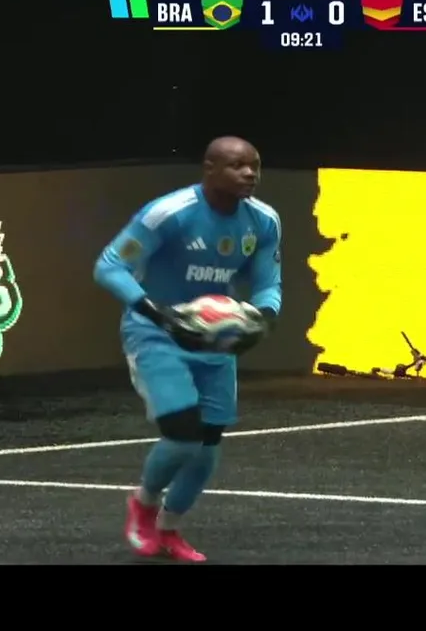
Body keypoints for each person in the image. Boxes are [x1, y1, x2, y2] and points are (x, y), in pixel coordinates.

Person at [93, 136, 283, 562]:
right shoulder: (169, 213)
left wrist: (264, 318)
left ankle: (170, 528)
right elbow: (110, 266)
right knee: (183, 436)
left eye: (255, 166)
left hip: (214, 338)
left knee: (208, 444)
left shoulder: (264, 220)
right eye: (237, 166)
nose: (249, 174)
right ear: (209, 169)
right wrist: (158, 313)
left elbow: (268, 283)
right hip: (157, 334)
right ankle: (143, 503)